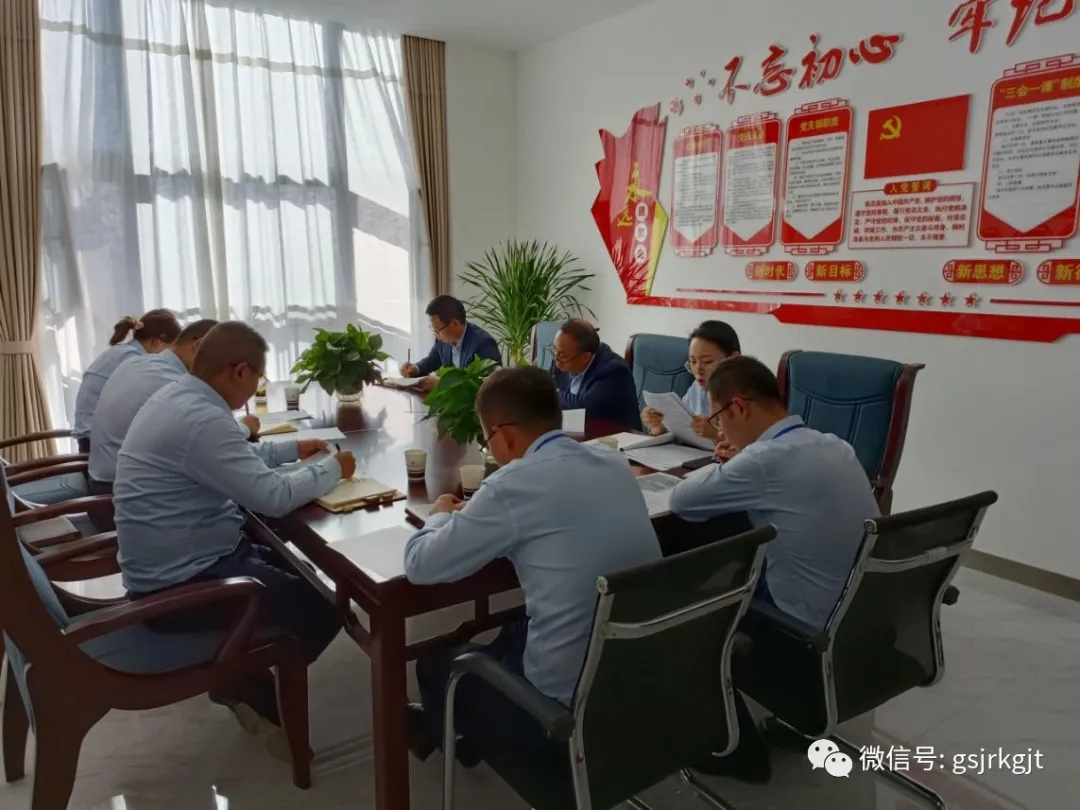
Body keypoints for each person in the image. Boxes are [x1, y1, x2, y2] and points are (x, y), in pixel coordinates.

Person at [402, 366, 661, 767]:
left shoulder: (510, 486)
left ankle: (464, 732)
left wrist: (438, 516)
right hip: (637, 672)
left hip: (559, 713)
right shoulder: (611, 462)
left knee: (435, 662)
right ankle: (470, 730)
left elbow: (419, 564)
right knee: (513, 628)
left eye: (489, 441)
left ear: (504, 435)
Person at [113, 321, 355, 746]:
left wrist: (291, 449)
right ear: (240, 371)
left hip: (178, 565)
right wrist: (334, 469)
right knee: (326, 605)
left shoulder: (179, 396)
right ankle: (241, 679)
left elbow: (230, 455)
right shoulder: (202, 418)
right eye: (258, 378)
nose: (256, 387)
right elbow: (274, 497)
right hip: (181, 589)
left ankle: (246, 673)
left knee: (303, 571)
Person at [669, 356, 878, 783]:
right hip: (864, 621)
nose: (720, 431)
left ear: (739, 407)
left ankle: (738, 750)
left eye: (718, 420)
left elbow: (681, 502)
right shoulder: (834, 444)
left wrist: (727, 465)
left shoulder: (765, 460)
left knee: (684, 613)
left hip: (802, 637)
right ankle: (795, 715)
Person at [88, 319, 220, 493]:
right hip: (121, 493)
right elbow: (208, 442)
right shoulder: (172, 382)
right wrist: (245, 428)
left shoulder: (136, 362)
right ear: (198, 346)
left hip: (103, 477)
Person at [72, 309, 182, 452]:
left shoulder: (122, 352)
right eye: (171, 349)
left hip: (91, 438)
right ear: (157, 342)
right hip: (98, 445)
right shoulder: (134, 361)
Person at [641, 320, 740, 449]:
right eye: (693, 362)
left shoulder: (750, 396)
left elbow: (757, 449)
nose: (698, 370)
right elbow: (682, 432)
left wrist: (717, 434)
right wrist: (658, 427)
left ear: (734, 359)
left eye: (707, 361)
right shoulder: (697, 388)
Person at [550, 318, 640, 430]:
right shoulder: (562, 358)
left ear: (585, 357)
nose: (556, 359)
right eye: (554, 350)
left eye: (562, 355)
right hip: (575, 430)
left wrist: (553, 393)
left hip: (615, 436)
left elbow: (584, 407)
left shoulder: (613, 371)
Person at [398, 296, 501, 392]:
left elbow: (487, 387)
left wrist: (443, 384)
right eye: (433, 329)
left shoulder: (483, 344)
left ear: (454, 324)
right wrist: (415, 368)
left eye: (437, 329)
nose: (435, 334)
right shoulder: (443, 340)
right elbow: (432, 360)